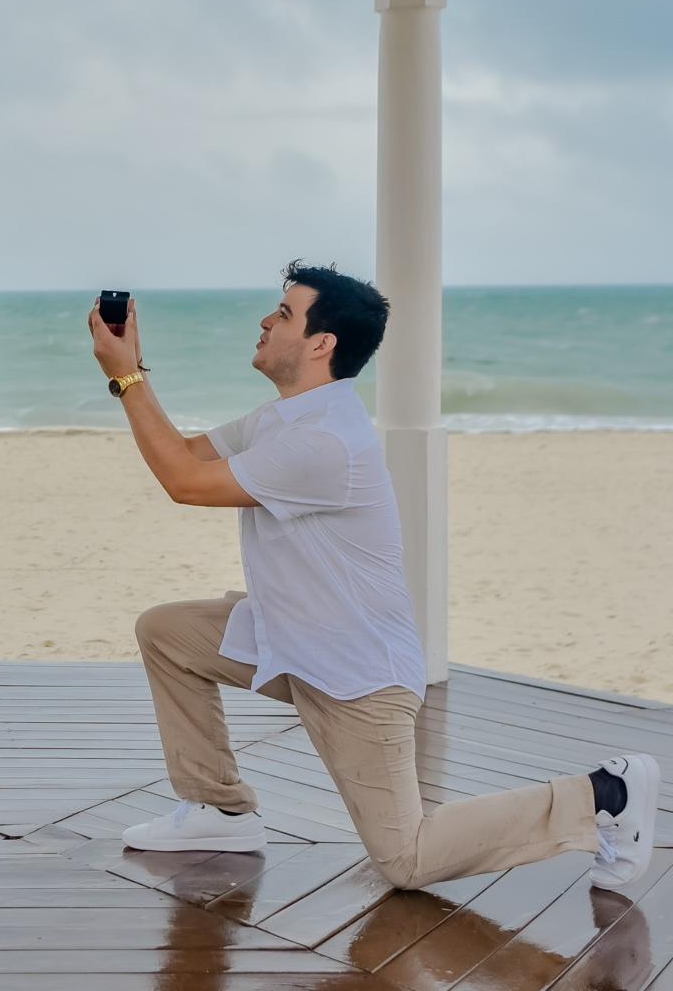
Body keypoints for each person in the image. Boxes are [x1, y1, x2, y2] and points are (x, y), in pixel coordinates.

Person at [87, 261, 659, 892]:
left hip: (356, 677)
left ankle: (606, 793)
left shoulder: (327, 439)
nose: (265, 320)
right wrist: (131, 377)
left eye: (283, 314)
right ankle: (219, 809)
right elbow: (188, 453)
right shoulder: (287, 417)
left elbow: (183, 484)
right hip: (288, 640)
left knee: (406, 861)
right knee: (167, 632)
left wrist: (126, 377)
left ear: (320, 344)